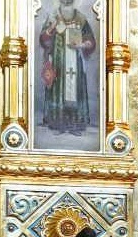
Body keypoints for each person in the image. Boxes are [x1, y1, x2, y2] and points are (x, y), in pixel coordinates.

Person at [38, 0, 97, 136]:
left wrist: (82, 45)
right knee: (58, 88)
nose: (66, 3)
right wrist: (51, 28)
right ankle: (58, 123)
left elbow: (91, 41)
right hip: (58, 62)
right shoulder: (53, 17)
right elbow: (43, 40)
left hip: (75, 61)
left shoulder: (81, 18)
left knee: (75, 89)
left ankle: (75, 125)